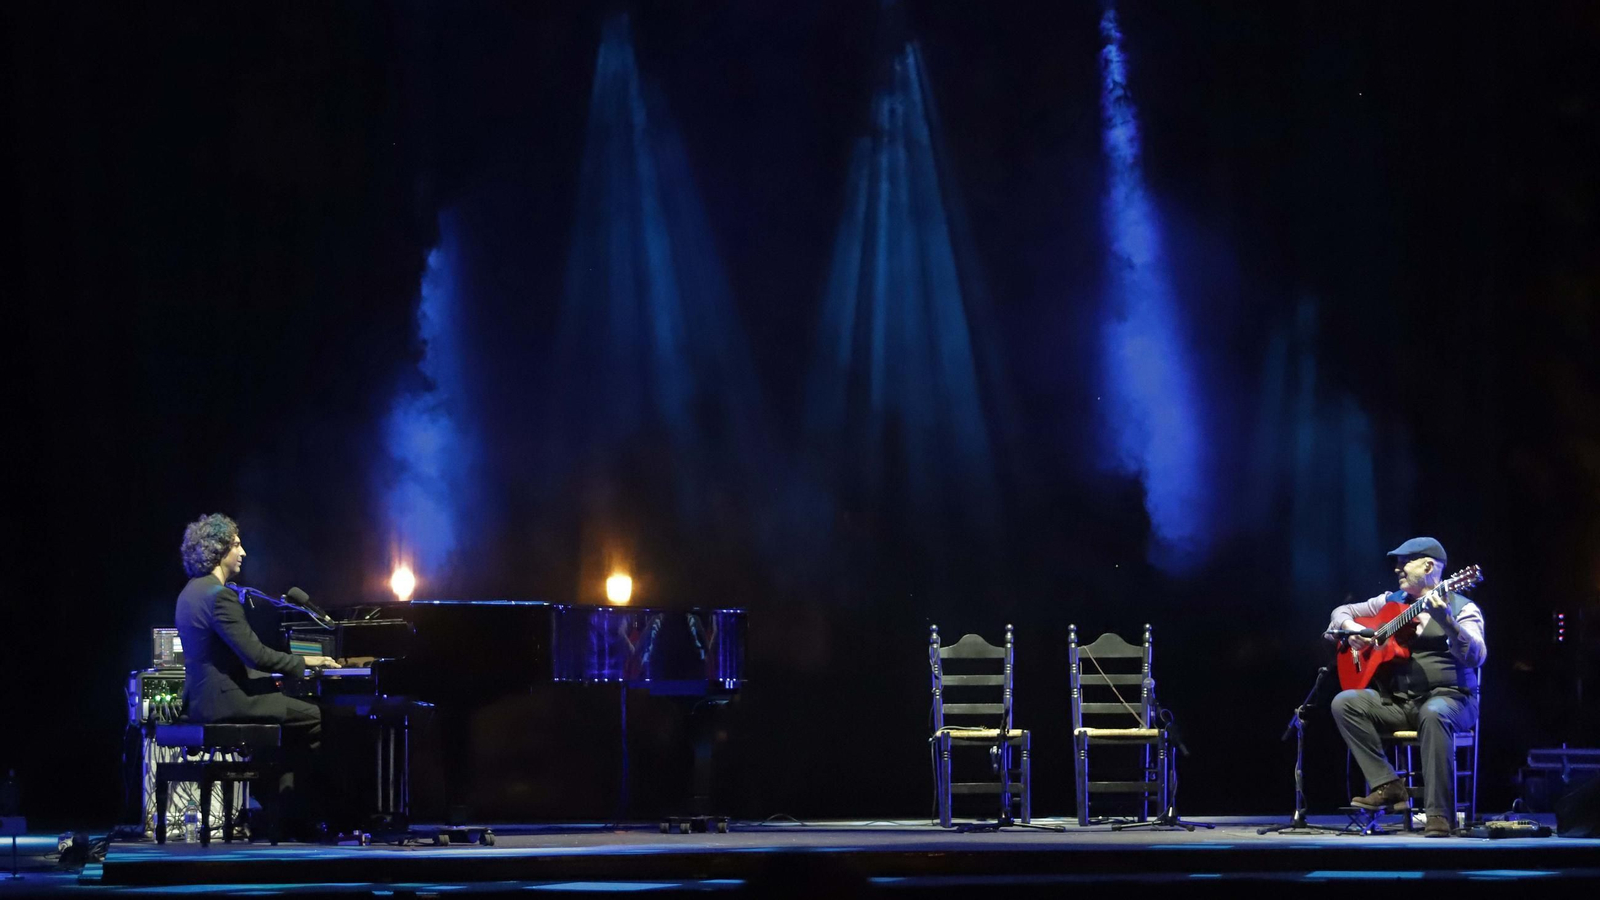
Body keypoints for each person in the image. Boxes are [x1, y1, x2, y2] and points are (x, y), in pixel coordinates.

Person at [174, 513, 339, 837]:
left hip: (202, 701)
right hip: (227, 702)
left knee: (286, 720)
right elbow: (256, 654)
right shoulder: (219, 596)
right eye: (236, 544)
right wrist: (308, 663)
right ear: (219, 549)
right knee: (316, 717)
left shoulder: (190, 593)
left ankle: (278, 806)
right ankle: (298, 810)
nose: (243, 551)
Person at [1326, 537, 1486, 837]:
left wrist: (1449, 623)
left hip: (1452, 700)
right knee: (1344, 703)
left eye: (1405, 561)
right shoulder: (1390, 600)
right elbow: (1339, 615)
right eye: (1397, 562)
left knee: (1434, 714)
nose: (1398, 568)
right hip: (1402, 702)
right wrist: (1354, 632)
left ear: (1428, 566)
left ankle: (1439, 814)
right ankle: (1388, 785)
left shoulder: (1463, 607)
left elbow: (1477, 656)